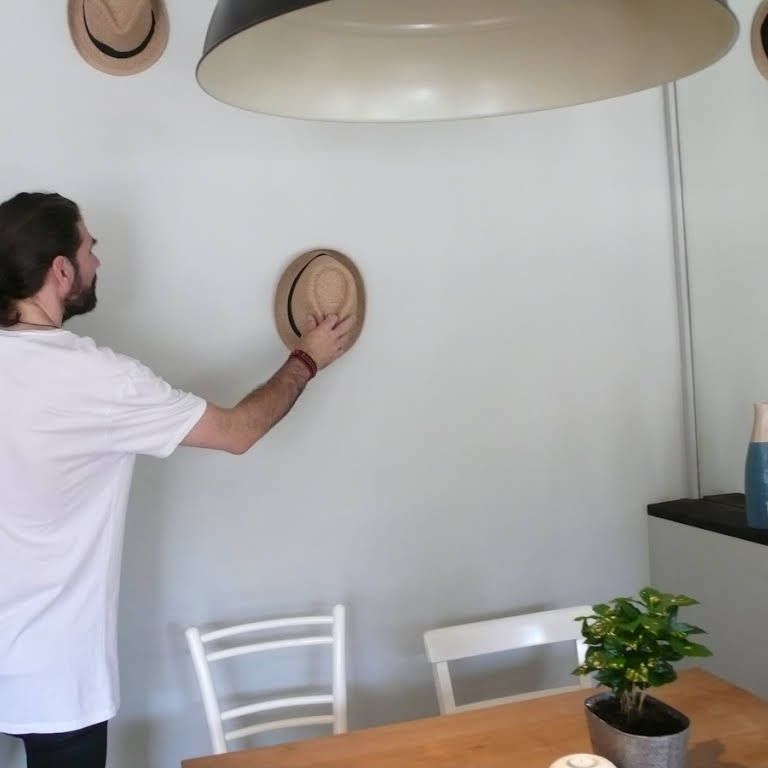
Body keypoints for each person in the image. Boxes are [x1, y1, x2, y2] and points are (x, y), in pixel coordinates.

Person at [0, 192, 354, 768]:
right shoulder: (96, 380)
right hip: (54, 675)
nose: (98, 261)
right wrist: (305, 359)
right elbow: (238, 431)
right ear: (60, 270)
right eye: (90, 247)